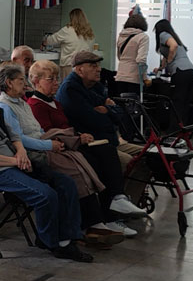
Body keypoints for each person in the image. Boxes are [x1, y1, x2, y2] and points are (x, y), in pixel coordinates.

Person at [0, 65, 91, 262]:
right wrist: (16, 160)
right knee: (45, 195)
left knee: (66, 183)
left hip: (13, 160)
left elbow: (14, 134)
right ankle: (53, 242)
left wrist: (21, 151)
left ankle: (66, 238)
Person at [0, 64, 121, 246]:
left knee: (81, 161)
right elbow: (18, 139)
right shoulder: (5, 106)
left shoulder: (21, 102)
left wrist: (54, 141)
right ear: (9, 83)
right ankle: (87, 225)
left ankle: (96, 220)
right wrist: (49, 144)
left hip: (41, 143)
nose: (25, 83)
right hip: (30, 153)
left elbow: (38, 130)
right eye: (21, 80)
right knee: (75, 170)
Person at [27, 59, 139, 233]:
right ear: (36, 81)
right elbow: (49, 134)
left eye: (57, 78)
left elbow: (66, 126)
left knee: (106, 151)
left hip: (71, 143)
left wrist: (79, 135)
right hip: (58, 149)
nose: (56, 83)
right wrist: (77, 137)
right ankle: (102, 217)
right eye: (51, 79)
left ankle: (115, 202)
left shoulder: (55, 102)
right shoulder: (36, 105)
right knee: (96, 162)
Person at [56, 49, 151, 216]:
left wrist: (107, 110)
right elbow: (93, 120)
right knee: (128, 161)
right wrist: (110, 113)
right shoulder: (70, 89)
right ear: (79, 69)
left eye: (98, 65)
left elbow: (120, 115)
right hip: (93, 142)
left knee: (148, 155)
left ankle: (127, 204)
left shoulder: (96, 86)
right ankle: (114, 209)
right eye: (93, 65)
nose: (99, 69)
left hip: (110, 138)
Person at [152, 19, 193, 124]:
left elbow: (173, 46)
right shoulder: (175, 37)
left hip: (181, 72)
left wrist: (170, 61)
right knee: (185, 103)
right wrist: (161, 68)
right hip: (191, 72)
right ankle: (184, 129)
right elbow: (167, 54)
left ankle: (174, 129)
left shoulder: (163, 34)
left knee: (177, 103)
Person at [45, 8, 95, 73]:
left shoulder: (67, 30)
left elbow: (50, 40)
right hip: (85, 65)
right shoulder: (89, 32)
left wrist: (44, 42)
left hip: (69, 65)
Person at [113, 12, 149, 98]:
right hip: (134, 78)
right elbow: (141, 60)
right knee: (134, 105)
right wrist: (145, 78)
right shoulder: (143, 37)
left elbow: (119, 57)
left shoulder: (121, 36)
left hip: (120, 76)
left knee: (122, 103)